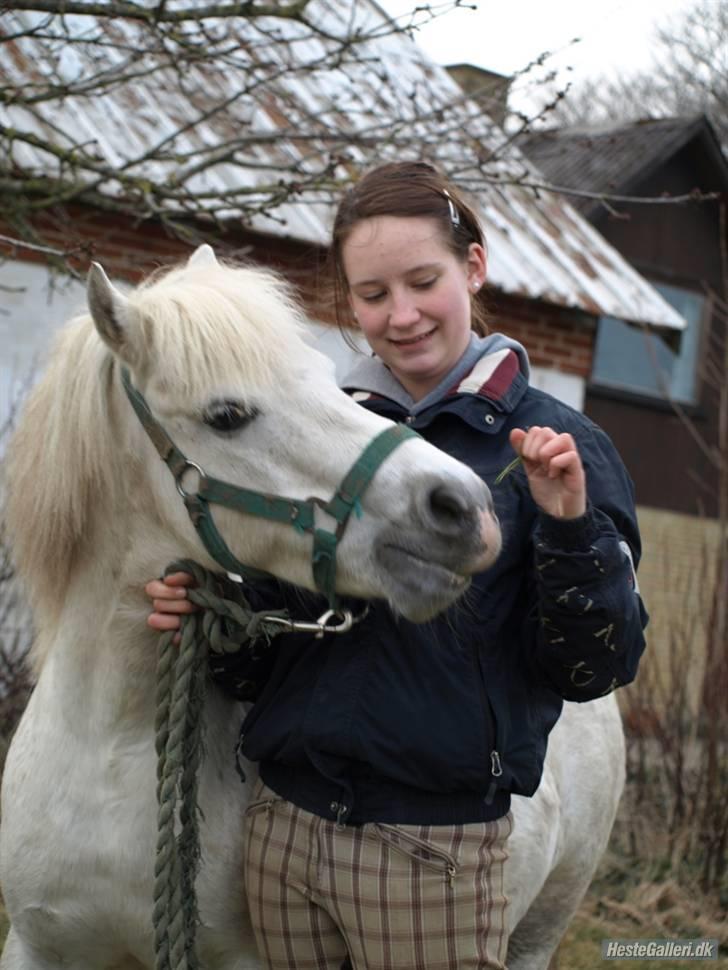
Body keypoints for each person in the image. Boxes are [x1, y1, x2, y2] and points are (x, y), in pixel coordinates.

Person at [146, 161, 648, 970]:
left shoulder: (562, 446)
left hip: (431, 851)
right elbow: (268, 657)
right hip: (283, 835)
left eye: (424, 281)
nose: (402, 315)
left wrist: (567, 527)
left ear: (473, 269)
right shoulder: (325, 428)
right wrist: (209, 612)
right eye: (373, 294)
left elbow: (595, 665)